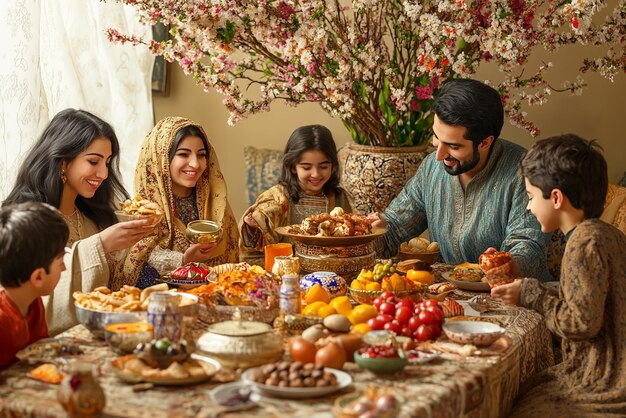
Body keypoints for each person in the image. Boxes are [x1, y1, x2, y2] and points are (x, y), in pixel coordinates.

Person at [492, 134, 626, 417]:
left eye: (530, 197)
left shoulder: (583, 243)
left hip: (603, 378)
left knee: (522, 404)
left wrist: (531, 293)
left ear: (555, 197)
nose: (528, 207)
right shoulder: (606, 234)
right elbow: (590, 299)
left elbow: (581, 323)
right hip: (610, 369)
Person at [370, 78, 551, 280]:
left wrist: (505, 263)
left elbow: (527, 245)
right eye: (436, 137)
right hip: (445, 295)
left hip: (510, 297)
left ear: (485, 142)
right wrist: (375, 230)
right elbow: (395, 229)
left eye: (453, 146)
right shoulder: (431, 167)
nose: (438, 155)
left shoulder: (525, 171)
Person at [2, 109, 155, 334]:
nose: (103, 174)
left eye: (107, 162)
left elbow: (114, 291)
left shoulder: (95, 217)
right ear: (63, 163)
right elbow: (27, 299)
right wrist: (100, 245)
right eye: (93, 161)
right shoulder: (23, 222)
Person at [115, 117, 239, 289]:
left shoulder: (215, 205)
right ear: (161, 159)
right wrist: (184, 260)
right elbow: (135, 264)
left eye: (201, 155)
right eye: (183, 154)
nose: (195, 164)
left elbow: (234, 263)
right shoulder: (141, 211)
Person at [239, 124, 353, 266]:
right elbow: (254, 242)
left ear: (333, 166)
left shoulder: (340, 198)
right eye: (306, 167)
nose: (316, 174)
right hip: (285, 279)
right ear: (293, 167)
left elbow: (353, 241)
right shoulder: (278, 197)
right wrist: (253, 227)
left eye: (323, 166)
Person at [0, 202, 69, 370]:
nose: (64, 268)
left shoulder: (34, 305)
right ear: (38, 277)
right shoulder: (3, 323)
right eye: (60, 262)